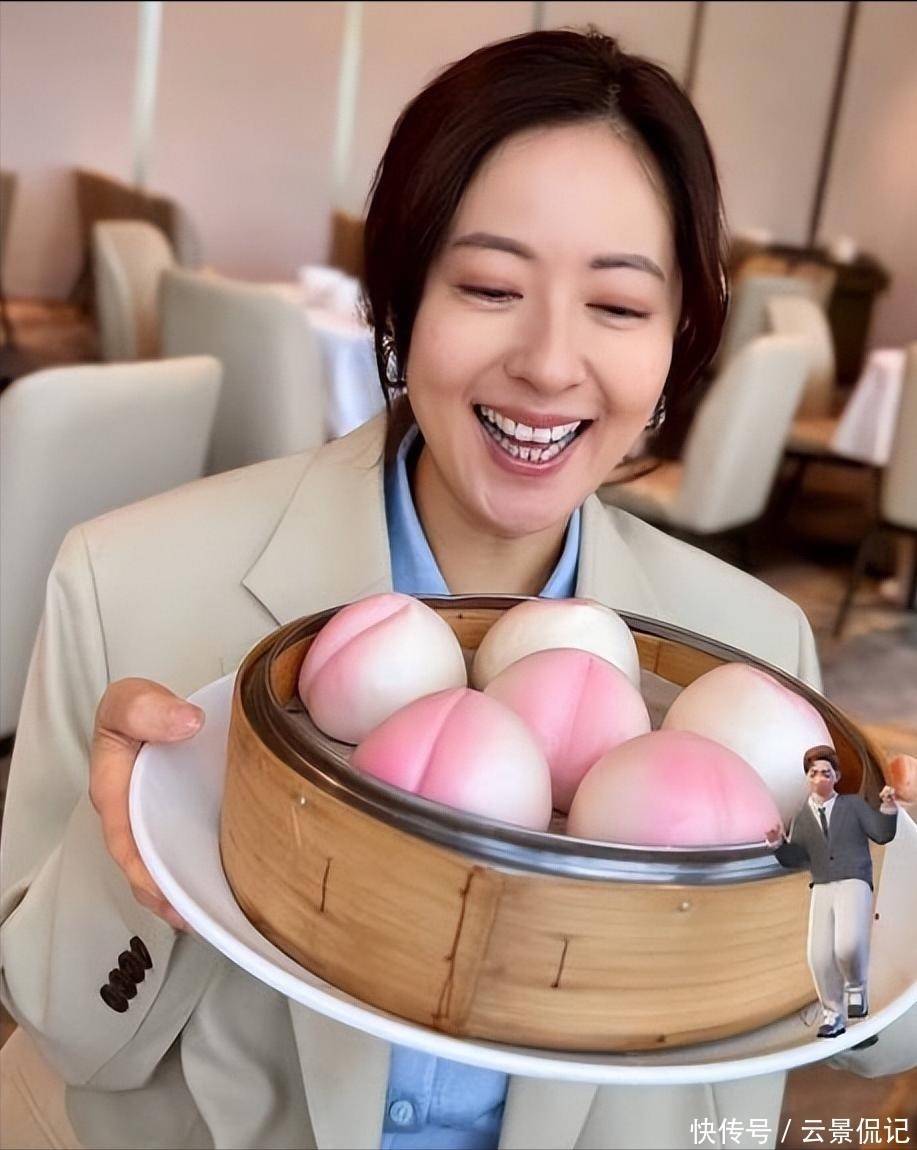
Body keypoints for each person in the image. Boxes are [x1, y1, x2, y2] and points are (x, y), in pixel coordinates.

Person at [2, 27, 915, 1150]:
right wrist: (136, 843)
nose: (547, 362)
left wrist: (892, 890)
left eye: (617, 307)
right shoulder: (129, 582)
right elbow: (60, 1030)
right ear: (401, 297)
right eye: (488, 286)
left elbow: (854, 1025)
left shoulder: (753, 647)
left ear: (677, 342)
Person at [767, 746, 899, 1039]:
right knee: (818, 955)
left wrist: (889, 808)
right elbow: (798, 858)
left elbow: (881, 834)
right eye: (813, 773)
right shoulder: (802, 817)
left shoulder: (853, 805)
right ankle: (832, 1014)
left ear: (837, 776)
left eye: (826, 773)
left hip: (854, 878)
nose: (819, 779)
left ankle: (856, 988)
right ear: (806, 777)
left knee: (848, 944)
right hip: (822, 884)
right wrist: (778, 845)